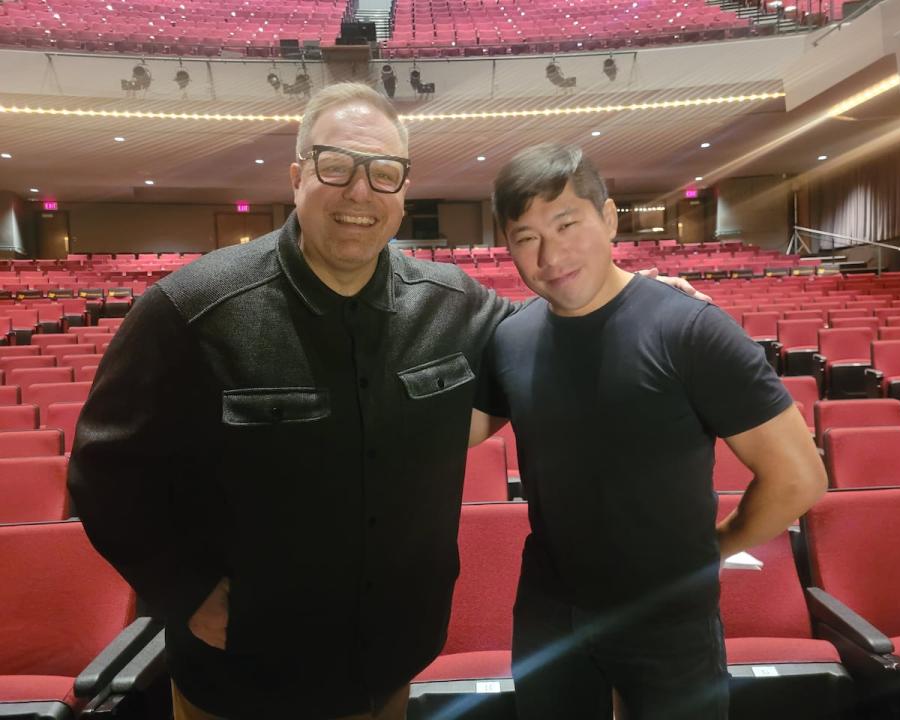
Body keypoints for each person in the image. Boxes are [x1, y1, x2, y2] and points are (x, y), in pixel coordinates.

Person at [67, 84, 704, 720]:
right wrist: (184, 590)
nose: (360, 192)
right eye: (336, 166)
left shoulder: (454, 303)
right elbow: (106, 468)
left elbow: (554, 335)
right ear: (297, 177)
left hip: (390, 661)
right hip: (244, 674)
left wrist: (633, 304)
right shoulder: (192, 310)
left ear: (402, 194)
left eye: (384, 174)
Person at [470, 144, 827, 720]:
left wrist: (714, 548)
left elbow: (798, 477)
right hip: (550, 608)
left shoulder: (687, 326)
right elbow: (451, 432)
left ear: (609, 219)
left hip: (668, 613)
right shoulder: (513, 338)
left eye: (567, 223)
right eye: (525, 237)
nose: (551, 253)